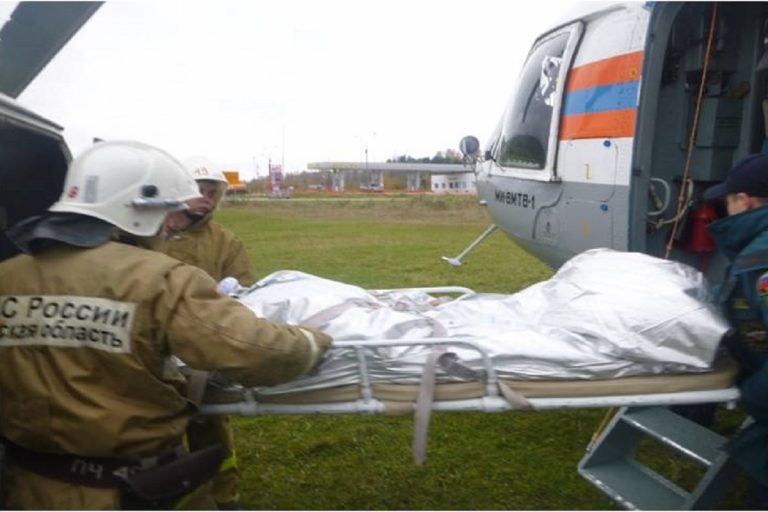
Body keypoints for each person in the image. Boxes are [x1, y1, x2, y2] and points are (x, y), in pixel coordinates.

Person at [0, 140, 332, 510]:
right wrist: (312, 341)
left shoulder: (7, 277)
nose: (172, 226)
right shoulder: (161, 278)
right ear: (136, 211)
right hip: (125, 492)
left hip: (25, 488)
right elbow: (257, 351)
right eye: (166, 213)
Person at [161, 156, 256, 509]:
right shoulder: (151, 232)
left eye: (211, 191)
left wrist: (231, 293)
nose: (204, 196)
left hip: (203, 344)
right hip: (151, 341)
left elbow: (246, 287)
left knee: (209, 423)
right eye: (196, 189)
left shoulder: (225, 241)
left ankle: (221, 495)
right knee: (153, 422)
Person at [703, 152, 768, 509]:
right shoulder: (754, 256)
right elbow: (743, 304)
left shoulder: (761, 263)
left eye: (726, 200)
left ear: (743, 201)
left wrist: (751, 396)